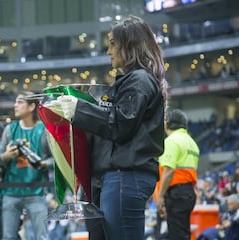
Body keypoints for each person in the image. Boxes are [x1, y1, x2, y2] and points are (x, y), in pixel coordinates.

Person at [57, 15, 168, 239]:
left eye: (112, 43)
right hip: (116, 178)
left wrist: (79, 110)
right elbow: (110, 124)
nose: (109, 51)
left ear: (129, 45)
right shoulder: (130, 81)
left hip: (124, 177)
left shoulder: (138, 80)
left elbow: (119, 124)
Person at [0, 91, 54, 240]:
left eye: (20, 102)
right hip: (11, 191)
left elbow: (55, 159)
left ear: (31, 106)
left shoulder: (44, 130)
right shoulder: (10, 130)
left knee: (42, 236)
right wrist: (7, 156)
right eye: (15, 102)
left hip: (36, 192)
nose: (15, 105)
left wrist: (43, 164)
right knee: (8, 236)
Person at [155, 109, 200, 240]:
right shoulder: (192, 143)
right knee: (183, 233)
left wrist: (160, 197)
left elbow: (169, 171)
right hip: (188, 193)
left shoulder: (172, 141)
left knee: (176, 235)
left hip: (176, 194)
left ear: (168, 123)